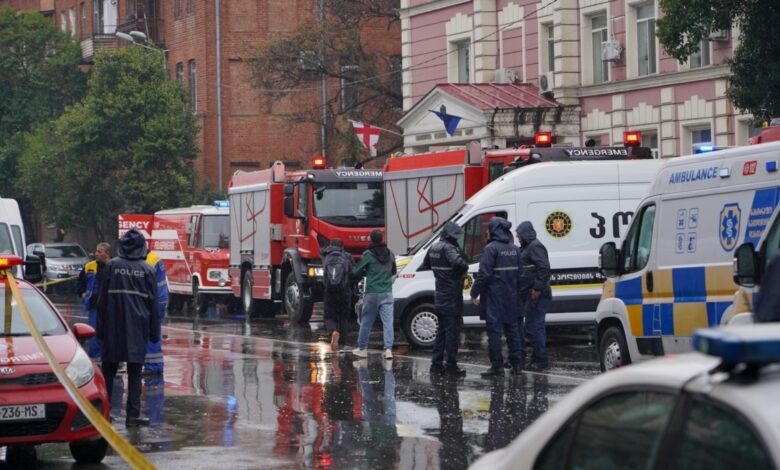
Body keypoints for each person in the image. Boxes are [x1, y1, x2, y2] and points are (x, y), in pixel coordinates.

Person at [97, 228, 159, 427]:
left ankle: (104, 413)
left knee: (108, 371)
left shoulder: (112, 266)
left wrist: (100, 328)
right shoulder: (148, 270)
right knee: (135, 372)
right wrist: (154, 332)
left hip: (113, 327)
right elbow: (153, 305)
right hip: (137, 329)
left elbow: (102, 300)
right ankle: (133, 417)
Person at [470, 217, 524, 378]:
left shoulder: (491, 249)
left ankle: (497, 367)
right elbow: (521, 275)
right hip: (512, 297)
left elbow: (484, 274)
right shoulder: (515, 249)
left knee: (494, 333)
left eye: (489, 228)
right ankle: (517, 366)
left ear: (494, 230)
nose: (486, 231)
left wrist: (474, 292)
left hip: (494, 298)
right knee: (513, 332)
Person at [421, 222, 469, 376]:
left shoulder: (434, 247)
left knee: (441, 331)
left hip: (440, 293)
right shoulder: (449, 248)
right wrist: (458, 273)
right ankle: (451, 366)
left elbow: (425, 264)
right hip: (452, 295)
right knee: (451, 332)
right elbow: (459, 263)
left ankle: (436, 364)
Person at [352, 230, 397, 360]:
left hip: (372, 292)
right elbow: (393, 270)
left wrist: (367, 272)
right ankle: (388, 350)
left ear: (371, 239)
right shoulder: (390, 253)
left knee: (366, 321)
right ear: (382, 239)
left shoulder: (368, 255)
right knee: (388, 322)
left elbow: (357, 271)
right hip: (387, 292)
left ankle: (362, 349)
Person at [516, 221, 552, 371]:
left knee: (534, 327)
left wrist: (537, 288)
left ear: (524, 234)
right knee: (533, 326)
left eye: (519, 235)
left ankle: (541, 360)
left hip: (537, 294)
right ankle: (537, 357)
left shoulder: (535, 246)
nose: (517, 238)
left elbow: (544, 268)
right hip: (531, 293)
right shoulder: (527, 247)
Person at [77, 242, 112, 360]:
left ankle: (110, 359)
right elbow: (80, 281)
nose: (96, 254)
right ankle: (95, 359)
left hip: (110, 307)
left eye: (99, 252)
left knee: (110, 333)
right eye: (96, 251)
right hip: (94, 306)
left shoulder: (114, 266)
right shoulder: (89, 266)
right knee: (94, 332)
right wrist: (82, 293)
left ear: (107, 254)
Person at [321, 238, 355, 351]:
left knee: (329, 315)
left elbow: (325, 275)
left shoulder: (326, 256)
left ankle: (333, 331)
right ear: (342, 246)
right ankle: (342, 344)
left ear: (331, 245)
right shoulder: (347, 256)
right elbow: (352, 273)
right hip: (344, 291)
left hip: (330, 291)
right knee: (344, 317)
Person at [144, 249, 169, 375]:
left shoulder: (149, 261)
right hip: (160, 299)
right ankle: (156, 365)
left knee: (150, 334)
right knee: (155, 333)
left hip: (154, 301)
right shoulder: (154, 258)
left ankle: (152, 367)